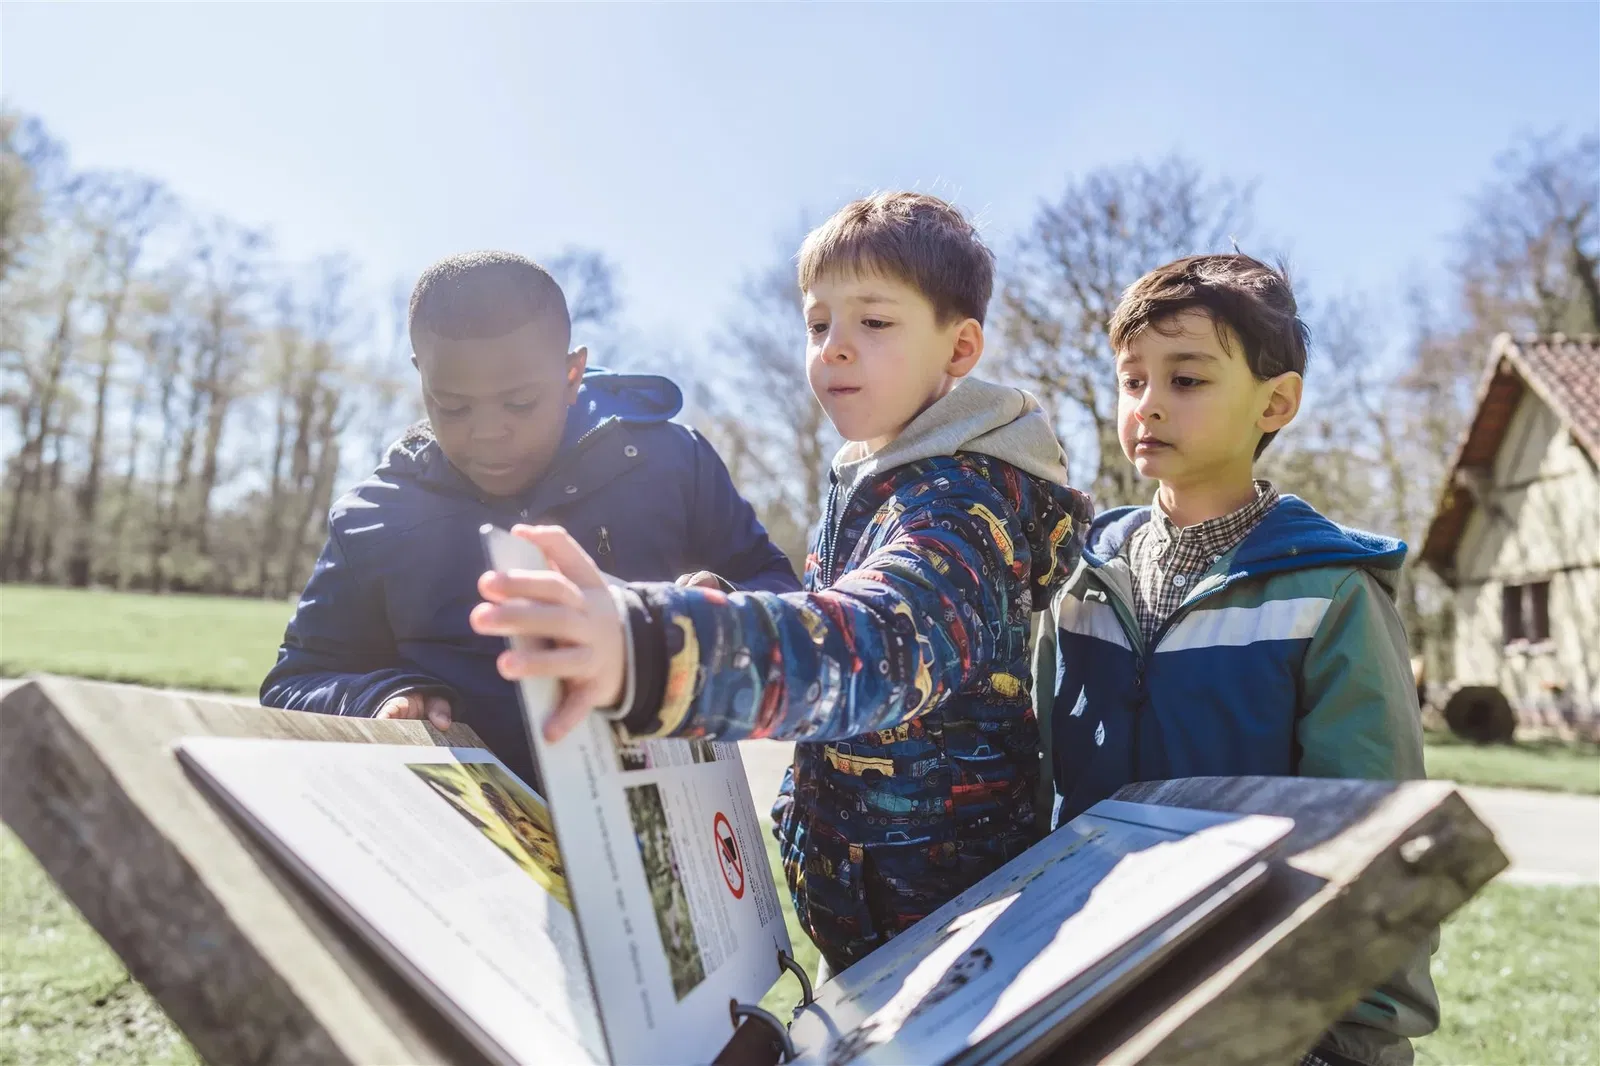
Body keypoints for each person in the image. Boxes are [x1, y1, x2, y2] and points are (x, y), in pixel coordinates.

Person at [470, 193, 1095, 972]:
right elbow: (831, 615)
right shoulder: (880, 474)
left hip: (949, 932)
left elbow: (882, 642)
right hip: (872, 914)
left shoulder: (961, 505)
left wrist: (652, 647)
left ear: (960, 349)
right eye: (818, 322)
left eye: (873, 322)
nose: (833, 346)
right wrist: (726, 611)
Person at [1038, 253, 1437, 1066]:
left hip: (1260, 1016)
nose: (1149, 405)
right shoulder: (1076, 582)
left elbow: (1377, 837)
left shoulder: (1331, 597)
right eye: (1133, 380)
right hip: (1084, 989)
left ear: (1276, 402)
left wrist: (1352, 1040)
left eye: (1187, 380)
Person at [261, 251, 797, 786]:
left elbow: (784, 596)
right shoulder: (373, 517)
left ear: (571, 374)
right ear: (420, 375)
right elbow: (297, 679)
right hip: (469, 843)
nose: (488, 431)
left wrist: (723, 608)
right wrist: (379, 695)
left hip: (665, 830)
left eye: (518, 403)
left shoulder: (673, 463)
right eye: (453, 406)